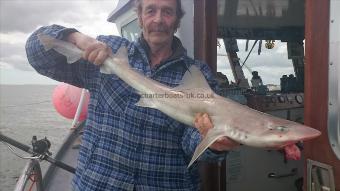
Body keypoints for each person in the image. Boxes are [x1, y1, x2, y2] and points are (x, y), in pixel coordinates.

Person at [26, 0, 239, 190]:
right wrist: (76, 37)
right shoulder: (107, 50)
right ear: (139, 17)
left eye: (167, 12)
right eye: (150, 10)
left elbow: (192, 139)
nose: (158, 19)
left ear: (177, 21)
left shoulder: (197, 75)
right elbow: (38, 57)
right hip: (98, 183)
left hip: (166, 183)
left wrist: (212, 143)